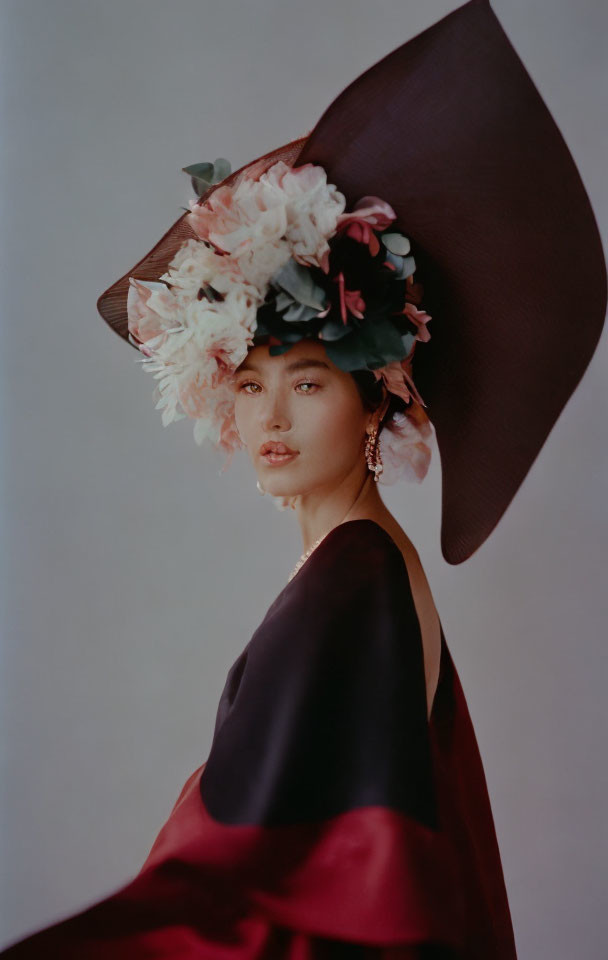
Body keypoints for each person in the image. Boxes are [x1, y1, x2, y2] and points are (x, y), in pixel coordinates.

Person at [2, 1, 605, 957]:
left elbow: (314, 878)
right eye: (250, 383)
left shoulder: (355, 577)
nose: (269, 417)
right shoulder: (352, 566)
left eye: (309, 381)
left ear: (379, 399)